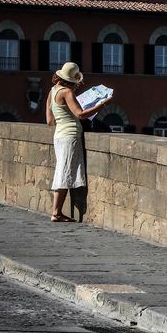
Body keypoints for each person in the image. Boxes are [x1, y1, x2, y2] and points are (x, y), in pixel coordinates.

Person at [45, 61, 111, 223]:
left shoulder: (52, 91)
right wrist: (101, 105)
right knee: (64, 173)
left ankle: (57, 211)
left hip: (59, 136)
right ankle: (56, 213)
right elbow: (80, 114)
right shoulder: (67, 92)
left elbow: (49, 121)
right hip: (71, 136)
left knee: (63, 170)